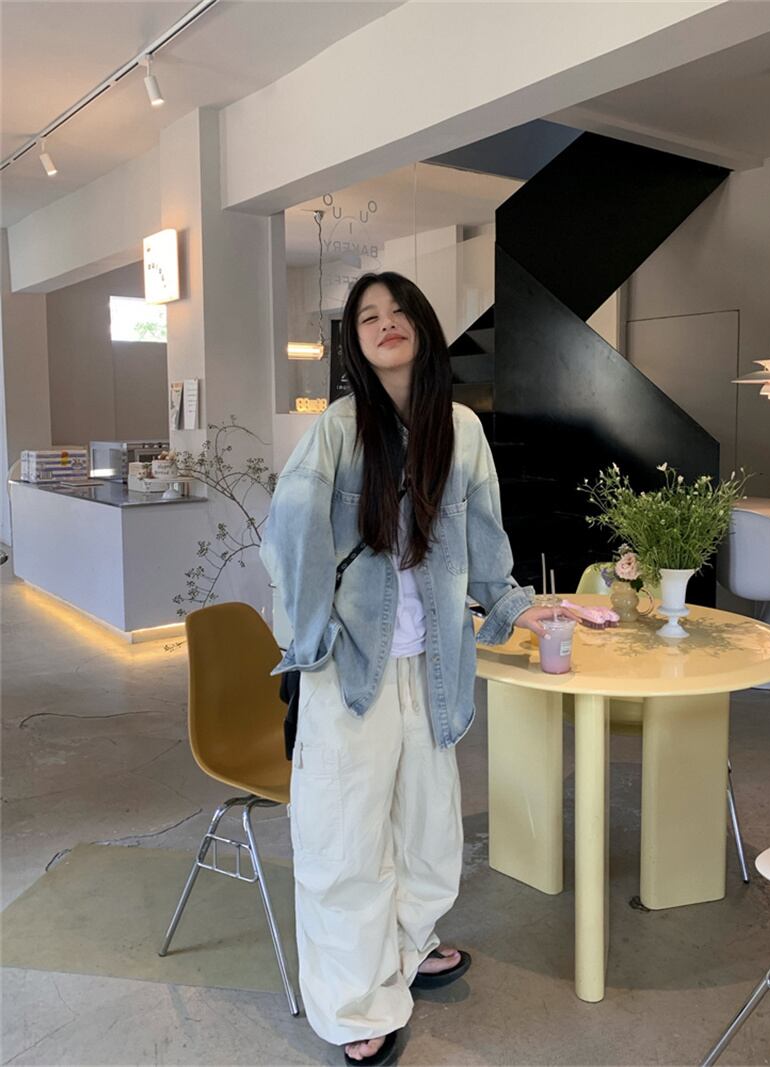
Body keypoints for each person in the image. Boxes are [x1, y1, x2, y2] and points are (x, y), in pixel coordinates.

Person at [262, 271, 577, 1066]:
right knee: (346, 843)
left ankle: (403, 950)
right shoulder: (340, 428)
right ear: (356, 343)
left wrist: (516, 607)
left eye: (399, 310)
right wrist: (312, 634)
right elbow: (291, 526)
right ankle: (356, 1002)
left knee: (428, 834)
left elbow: (486, 542)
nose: (386, 322)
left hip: (432, 665)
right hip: (351, 670)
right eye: (368, 316)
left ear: (425, 328)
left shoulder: (461, 431)